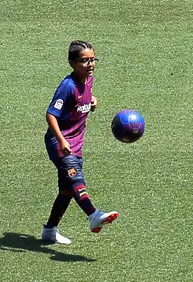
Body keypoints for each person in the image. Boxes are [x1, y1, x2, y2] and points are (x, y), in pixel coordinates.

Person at [41, 41, 118, 245]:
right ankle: (93, 214)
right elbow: (51, 115)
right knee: (76, 179)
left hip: (76, 143)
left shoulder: (88, 79)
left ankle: (49, 230)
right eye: (85, 61)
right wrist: (61, 140)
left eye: (93, 60)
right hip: (61, 144)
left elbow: (81, 99)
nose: (90, 64)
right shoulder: (67, 86)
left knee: (67, 190)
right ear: (72, 63)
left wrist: (92, 100)